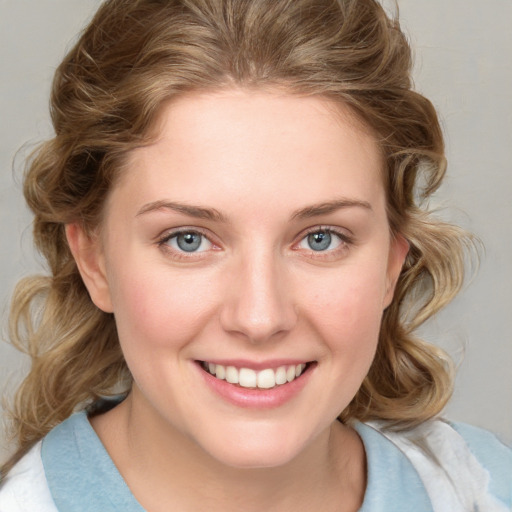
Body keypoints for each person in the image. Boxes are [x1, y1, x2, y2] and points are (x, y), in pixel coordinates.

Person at [0, 0, 510, 510]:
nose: (260, 318)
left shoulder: (485, 489)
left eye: (321, 238)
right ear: (95, 260)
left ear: (392, 263)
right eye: (188, 239)